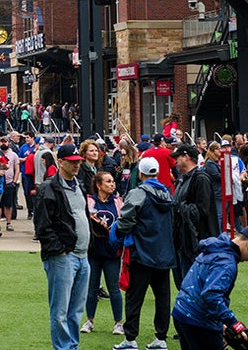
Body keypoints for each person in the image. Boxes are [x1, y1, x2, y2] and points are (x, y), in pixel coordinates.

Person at [111, 157, 175, 350]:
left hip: (142, 251)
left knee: (134, 296)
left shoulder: (138, 192)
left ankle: (130, 339)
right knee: (162, 297)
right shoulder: (166, 193)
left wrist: (119, 232)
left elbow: (126, 219)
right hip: (164, 253)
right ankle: (161, 338)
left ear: (141, 173)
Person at [34, 143, 91, 350]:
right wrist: (60, 249)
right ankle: (64, 347)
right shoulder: (49, 187)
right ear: (60, 162)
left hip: (82, 255)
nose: (76, 166)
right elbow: (42, 225)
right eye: (72, 162)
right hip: (63, 256)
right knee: (60, 310)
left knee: (76, 309)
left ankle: (72, 346)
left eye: (78, 162)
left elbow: (81, 215)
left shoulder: (79, 184)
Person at [172, 227, 248, 350]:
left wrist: (220, 321)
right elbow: (211, 295)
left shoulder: (216, 247)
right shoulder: (226, 263)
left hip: (182, 312)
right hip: (199, 321)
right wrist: (233, 323)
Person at [80, 171, 125, 336]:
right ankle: (89, 321)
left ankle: (118, 323)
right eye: (108, 182)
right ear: (98, 185)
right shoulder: (89, 201)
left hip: (112, 253)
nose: (112, 184)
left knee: (114, 289)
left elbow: (123, 224)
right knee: (92, 289)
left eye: (113, 181)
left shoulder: (118, 202)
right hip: (93, 252)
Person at [171, 143, 218, 288]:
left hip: (196, 241)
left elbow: (202, 210)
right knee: (182, 284)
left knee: (193, 286)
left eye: (177, 157)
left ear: (187, 157)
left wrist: (179, 207)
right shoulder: (182, 179)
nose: (175, 162)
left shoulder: (200, 179)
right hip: (182, 240)